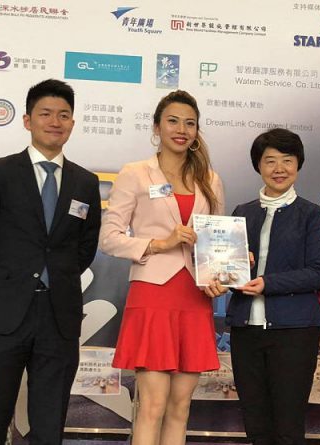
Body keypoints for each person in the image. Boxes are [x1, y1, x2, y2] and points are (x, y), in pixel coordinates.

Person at [0, 79, 101, 445]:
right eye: (45, 114)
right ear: (27, 120)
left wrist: (56, 278)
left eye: (64, 115)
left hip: (58, 315)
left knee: (49, 421)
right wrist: (4, 283)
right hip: (4, 313)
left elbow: (85, 246)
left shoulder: (85, 182)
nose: (55, 122)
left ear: (72, 123)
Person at [99, 90, 226, 445]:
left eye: (190, 123)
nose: (181, 129)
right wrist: (159, 243)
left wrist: (224, 270)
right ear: (157, 127)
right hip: (153, 294)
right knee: (152, 405)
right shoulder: (136, 173)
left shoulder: (210, 179)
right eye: (173, 121)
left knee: (180, 407)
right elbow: (108, 238)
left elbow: (216, 238)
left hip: (195, 296)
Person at [227, 128, 320, 445]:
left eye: (287, 160)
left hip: (294, 332)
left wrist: (267, 283)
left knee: (288, 424)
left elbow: (318, 273)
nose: (279, 168)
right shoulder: (242, 213)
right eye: (270, 160)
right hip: (246, 330)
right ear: (258, 165)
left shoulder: (312, 215)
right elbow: (229, 271)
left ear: (298, 164)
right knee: (255, 422)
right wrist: (229, 272)